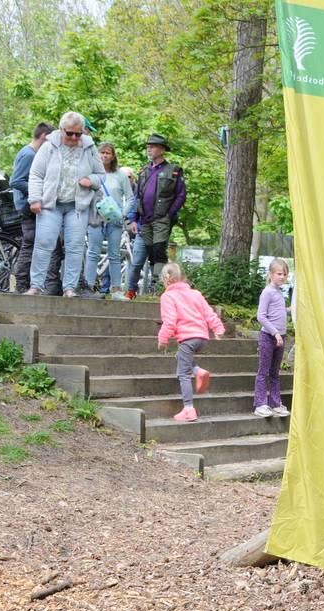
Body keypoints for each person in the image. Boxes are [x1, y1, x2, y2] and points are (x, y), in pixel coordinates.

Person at [25, 112, 105, 297]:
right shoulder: (48, 146)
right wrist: (35, 199)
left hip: (77, 205)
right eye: (70, 133)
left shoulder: (89, 147)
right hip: (50, 204)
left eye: (79, 134)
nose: (75, 138)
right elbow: (36, 174)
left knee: (75, 246)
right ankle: (36, 285)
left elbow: (101, 175)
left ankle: (70, 287)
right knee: (44, 242)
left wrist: (90, 180)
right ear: (61, 130)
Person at [156, 263, 224, 422]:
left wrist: (162, 340)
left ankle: (188, 409)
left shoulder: (168, 296)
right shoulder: (195, 294)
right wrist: (218, 329)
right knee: (180, 357)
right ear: (183, 278)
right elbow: (209, 313)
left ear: (166, 281)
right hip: (202, 338)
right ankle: (198, 371)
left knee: (183, 374)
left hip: (188, 338)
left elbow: (169, 321)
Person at [126, 134, 185, 299]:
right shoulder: (144, 170)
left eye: (153, 146)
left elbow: (181, 195)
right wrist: (132, 219)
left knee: (158, 254)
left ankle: (157, 290)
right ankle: (130, 291)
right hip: (143, 222)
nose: (149, 149)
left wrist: (169, 214)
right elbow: (137, 197)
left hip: (161, 221)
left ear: (162, 149)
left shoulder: (173, 170)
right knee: (137, 259)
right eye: (148, 146)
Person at [10, 122, 62, 295]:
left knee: (39, 244)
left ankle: (35, 283)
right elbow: (16, 181)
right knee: (30, 244)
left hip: (32, 205)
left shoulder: (32, 153)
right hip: (28, 207)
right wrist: (40, 191)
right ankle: (22, 283)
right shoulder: (28, 154)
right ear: (44, 137)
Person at [82, 142, 134, 300]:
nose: (104, 155)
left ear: (113, 156)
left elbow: (130, 198)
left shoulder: (120, 176)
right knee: (92, 253)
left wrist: (122, 214)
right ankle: (89, 287)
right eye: (102, 152)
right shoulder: (92, 173)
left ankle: (116, 290)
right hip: (96, 219)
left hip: (115, 221)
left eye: (108, 153)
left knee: (115, 255)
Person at [254, 259, 291, 418]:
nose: (282, 277)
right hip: (269, 337)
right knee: (264, 371)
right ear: (270, 274)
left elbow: (279, 311)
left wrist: (291, 309)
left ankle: (275, 403)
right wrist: (275, 333)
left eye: (285, 274)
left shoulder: (279, 292)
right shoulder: (267, 291)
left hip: (280, 337)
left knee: (275, 372)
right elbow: (261, 316)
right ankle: (260, 404)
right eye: (279, 274)